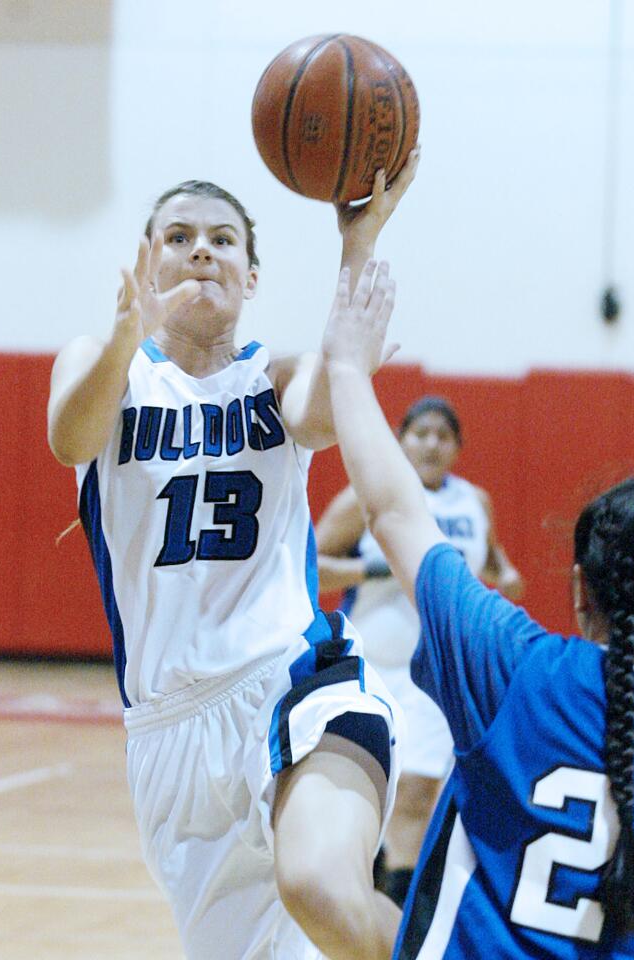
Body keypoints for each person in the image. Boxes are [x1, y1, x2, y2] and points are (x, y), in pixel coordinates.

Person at [46, 158, 418, 960]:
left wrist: (359, 242)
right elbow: (68, 437)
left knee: (326, 892)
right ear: (147, 263)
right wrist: (127, 333)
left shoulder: (272, 378)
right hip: (170, 734)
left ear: (251, 277)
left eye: (222, 241)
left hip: (291, 680)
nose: (202, 252)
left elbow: (328, 405)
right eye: (178, 239)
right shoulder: (103, 368)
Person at [321, 258, 634, 958]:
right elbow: (329, 549)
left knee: (320, 871)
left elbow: (397, 511)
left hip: (443, 668)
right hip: (381, 658)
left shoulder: (515, 665)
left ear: (581, 588)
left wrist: (346, 370)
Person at [316, 395, 524, 905]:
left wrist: (507, 578)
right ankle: (359, 887)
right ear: (400, 436)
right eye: (421, 432)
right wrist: (378, 569)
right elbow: (309, 565)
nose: (431, 443)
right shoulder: (365, 496)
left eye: (443, 435)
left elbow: (495, 566)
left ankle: (396, 910)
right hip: (372, 668)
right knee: (366, 791)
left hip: (437, 671)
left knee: (416, 793)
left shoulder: (473, 502)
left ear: (457, 448)